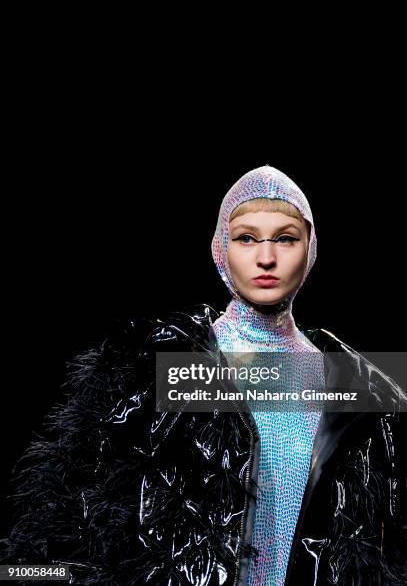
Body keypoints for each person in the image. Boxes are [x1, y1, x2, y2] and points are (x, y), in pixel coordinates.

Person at [1, 165, 406, 585]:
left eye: (286, 238)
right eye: (246, 238)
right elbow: (66, 530)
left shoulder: (359, 386)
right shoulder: (157, 366)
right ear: (220, 249)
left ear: (311, 249)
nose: (266, 257)